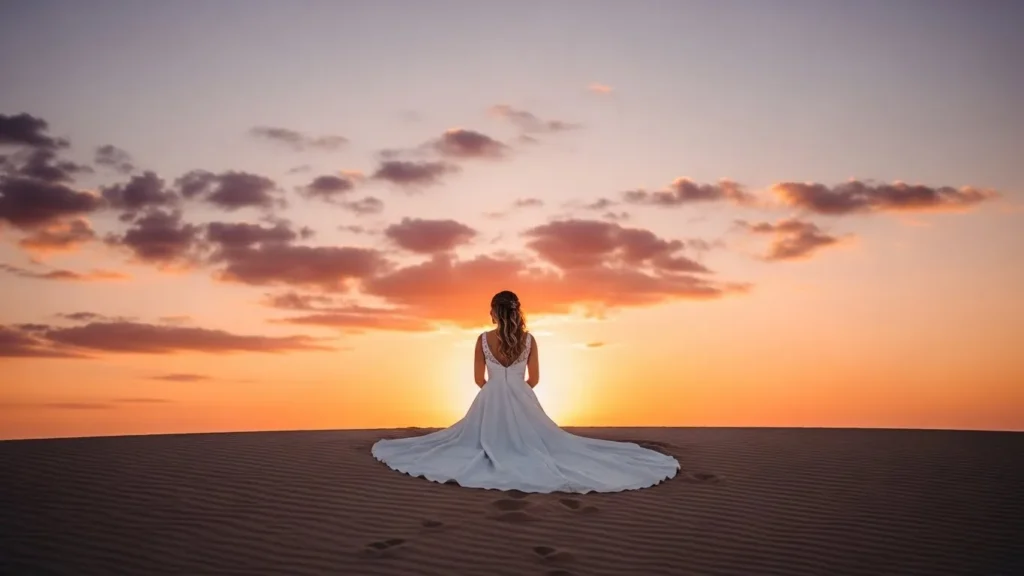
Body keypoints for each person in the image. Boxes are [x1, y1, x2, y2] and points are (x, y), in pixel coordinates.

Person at [371, 290, 679, 493]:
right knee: (546, 443)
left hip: (489, 399)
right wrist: (518, 393)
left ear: (494, 313)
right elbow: (536, 378)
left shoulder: (481, 339)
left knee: (472, 443)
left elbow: (479, 379)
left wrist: (497, 394)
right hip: (524, 396)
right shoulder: (530, 340)